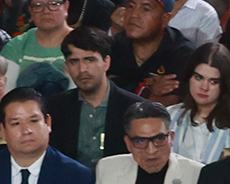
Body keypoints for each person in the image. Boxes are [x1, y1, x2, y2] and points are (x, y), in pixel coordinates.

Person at [49, 27, 153, 166]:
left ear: (106, 62)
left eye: (90, 60)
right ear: (66, 65)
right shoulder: (55, 107)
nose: (82, 69)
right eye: (74, 61)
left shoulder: (136, 109)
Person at [168, 43, 230, 163]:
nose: (204, 87)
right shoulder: (169, 116)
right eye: (198, 78)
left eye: (213, 82)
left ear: (225, 84)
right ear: (189, 77)